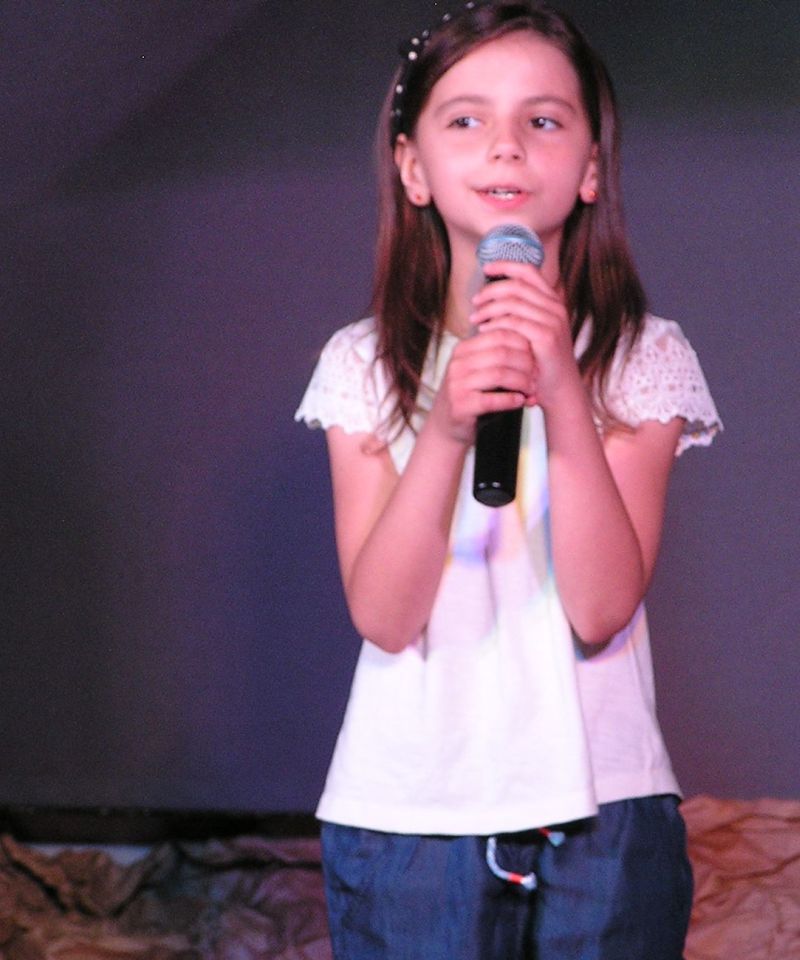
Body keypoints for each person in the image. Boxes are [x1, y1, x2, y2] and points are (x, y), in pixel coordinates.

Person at [295, 2, 721, 957]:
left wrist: (563, 391)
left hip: (603, 806)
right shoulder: (364, 364)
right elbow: (385, 616)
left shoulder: (643, 356)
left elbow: (601, 607)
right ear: (412, 167)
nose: (506, 146)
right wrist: (448, 428)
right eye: (465, 118)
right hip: (410, 817)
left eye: (543, 119)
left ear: (590, 168)